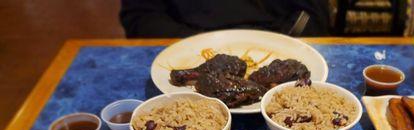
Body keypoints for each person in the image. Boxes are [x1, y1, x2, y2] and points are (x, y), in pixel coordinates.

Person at [120, 0, 330, 38]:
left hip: (278, 39)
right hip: (187, 43)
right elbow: (139, 18)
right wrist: (199, 43)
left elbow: (313, 16)